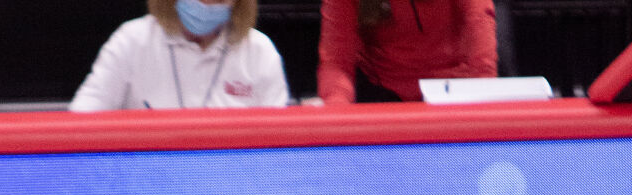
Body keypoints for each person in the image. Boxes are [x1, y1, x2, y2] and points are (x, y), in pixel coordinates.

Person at [70, 0, 289, 112]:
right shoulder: (132, 40)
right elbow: (83, 117)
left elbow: (278, 140)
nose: (207, 4)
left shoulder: (260, 51)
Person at [318, 0, 498, 103]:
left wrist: (479, 114)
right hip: (383, 97)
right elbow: (336, 64)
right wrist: (336, 118)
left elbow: (482, 62)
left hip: (454, 93)